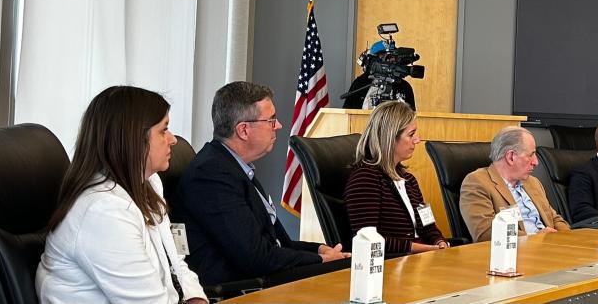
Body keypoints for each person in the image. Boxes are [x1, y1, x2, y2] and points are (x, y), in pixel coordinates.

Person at [36, 86, 207, 304]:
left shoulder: (148, 184)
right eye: (164, 130)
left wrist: (195, 298)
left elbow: (174, 261)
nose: (173, 139)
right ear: (134, 138)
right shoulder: (103, 210)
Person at [173, 82, 350, 286]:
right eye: (271, 120)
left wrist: (319, 250)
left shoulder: (233, 166)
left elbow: (276, 243)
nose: (279, 126)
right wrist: (321, 260)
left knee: (345, 266)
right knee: (343, 273)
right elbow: (256, 257)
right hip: (242, 287)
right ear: (244, 130)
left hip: (261, 274)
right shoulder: (211, 175)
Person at [344, 101, 449, 255]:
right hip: (392, 264)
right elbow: (369, 240)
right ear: (390, 137)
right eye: (411, 134)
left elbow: (428, 226)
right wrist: (426, 250)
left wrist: (439, 242)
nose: (417, 140)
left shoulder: (409, 180)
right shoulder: (365, 178)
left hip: (421, 258)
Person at [459, 126, 570, 242]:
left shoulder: (533, 182)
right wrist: (536, 239)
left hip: (551, 249)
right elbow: (486, 233)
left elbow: (554, 219)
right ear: (511, 157)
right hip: (516, 254)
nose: (536, 162)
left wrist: (566, 238)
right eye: (530, 155)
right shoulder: (477, 183)